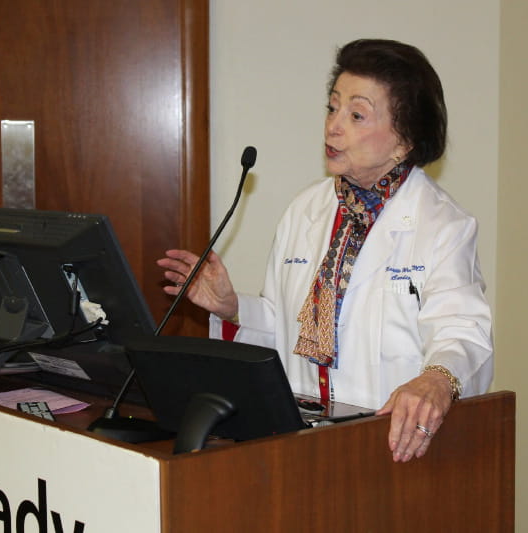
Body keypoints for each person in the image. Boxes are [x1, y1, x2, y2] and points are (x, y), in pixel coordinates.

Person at [158, 39, 493, 463]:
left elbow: (463, 334)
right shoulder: (305, 211)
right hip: (302, 440)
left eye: (356, 115)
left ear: (404, 141)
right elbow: (284, 326)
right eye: (332, 108)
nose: (333, 126)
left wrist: (437, 380)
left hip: (392, 448)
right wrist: (232, 309)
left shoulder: (443, 226)